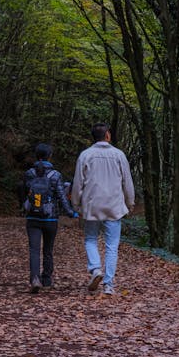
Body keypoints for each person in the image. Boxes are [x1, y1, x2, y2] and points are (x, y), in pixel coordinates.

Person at [71, 122, 135, 295]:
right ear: (107, 135)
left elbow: (78, 182)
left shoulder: (85, 155)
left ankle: (95, 269)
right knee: (112, 246)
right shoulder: (119, 155)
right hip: (114, 207)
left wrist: (76, 204)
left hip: (92, 206)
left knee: (91, 239)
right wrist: (130, 202)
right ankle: (108, 284)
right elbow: (127, 181)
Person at [22, 142, 75, 293]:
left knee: (34, 249)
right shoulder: (55, 175)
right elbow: (61, 196)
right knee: (48, 249)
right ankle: (46, 279)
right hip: (51, 218)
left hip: (33, 217)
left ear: (36, 155)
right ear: (50, 156)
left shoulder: (29, 173)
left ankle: (35, 279)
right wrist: (70, 212)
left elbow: (26, 192)